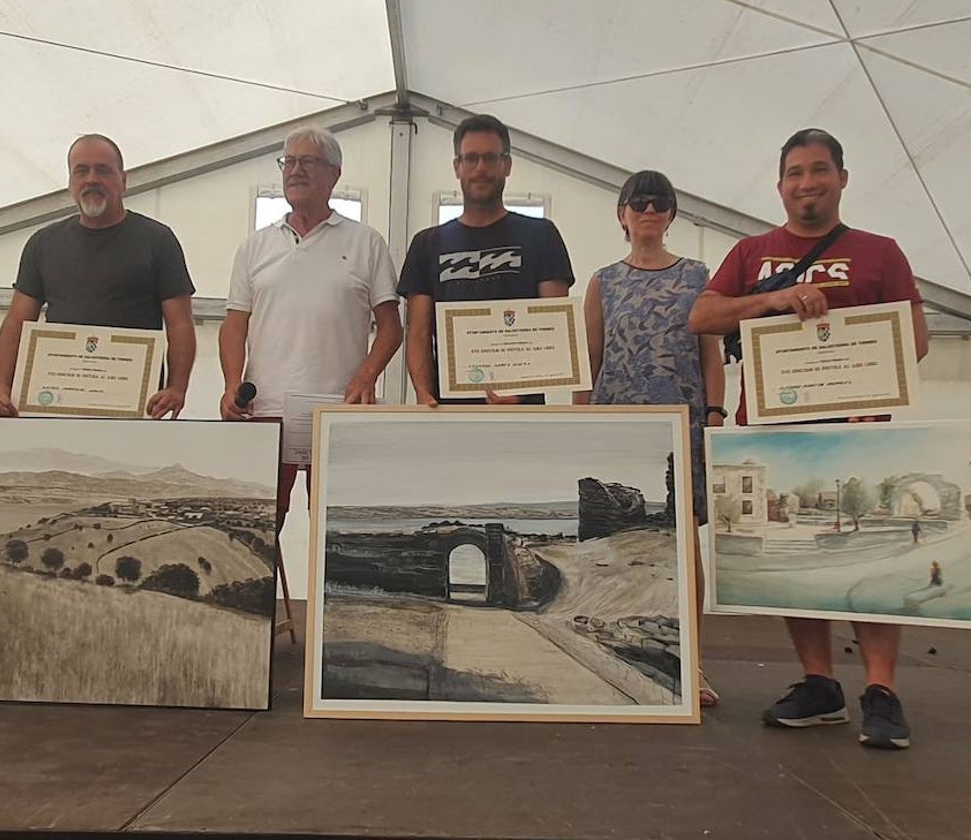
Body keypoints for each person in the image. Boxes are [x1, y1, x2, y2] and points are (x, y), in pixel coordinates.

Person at [688, 128, 929, 749]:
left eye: (819, 170)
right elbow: (703, 316)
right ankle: (820, 684)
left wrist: (873, 396)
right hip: (777, 429)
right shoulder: (753, 253)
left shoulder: (880, 252)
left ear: (842, 178)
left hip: (858, 431)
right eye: (795, 173)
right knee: (798, 566)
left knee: (871, 560)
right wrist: (773, 299)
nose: (807, 183)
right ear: (781, 186)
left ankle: (882, 690)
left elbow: (916, 337)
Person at [575, 170, 725, 707]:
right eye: (638, 202)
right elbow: (587, 361)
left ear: (671, 214)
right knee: (621, 544)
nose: (649, 210)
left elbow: (710, 354)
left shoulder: (697, 277)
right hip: (617, 427)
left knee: (685, 545)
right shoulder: (603, 282)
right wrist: (577, 423)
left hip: (680, 427)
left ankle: (693, 665)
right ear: (621, 214)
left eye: (659, 202)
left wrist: (714, 411)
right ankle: (618, 649)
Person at [219, 126, 401, 547]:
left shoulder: (367, 243)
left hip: (337, 414)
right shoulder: (253, 248)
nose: (295, 170)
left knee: (335, 537)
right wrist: (231, 385)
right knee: (257, 536)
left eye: (308, 162)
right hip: (265, 413)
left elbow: (391, 327)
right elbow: (233, 325)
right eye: (289, 162)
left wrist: (365, 377)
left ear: (334, 175)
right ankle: (261, 616)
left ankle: (329, 615)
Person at [0, 134, 195, 418]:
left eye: (103, 170)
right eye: (81, 171)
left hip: (133, 408)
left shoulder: (158, 240)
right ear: (71, 183)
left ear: (123, 180)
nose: (91, 179)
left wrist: (176, 388)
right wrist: (0, 387)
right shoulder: (43, 243)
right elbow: (16, 322)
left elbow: (180, 324)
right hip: (54, 403)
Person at [398, 114, 573, 405]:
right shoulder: (427, 244)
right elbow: (418, 332)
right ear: (458, 167)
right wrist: (423, 393)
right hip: (449, 417)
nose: (481, 169)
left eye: (491, 158)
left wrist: (521, 395)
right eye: (471, 158)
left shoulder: (541, 235)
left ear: (507, 165)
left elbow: (553, 328)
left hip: (521, 418)